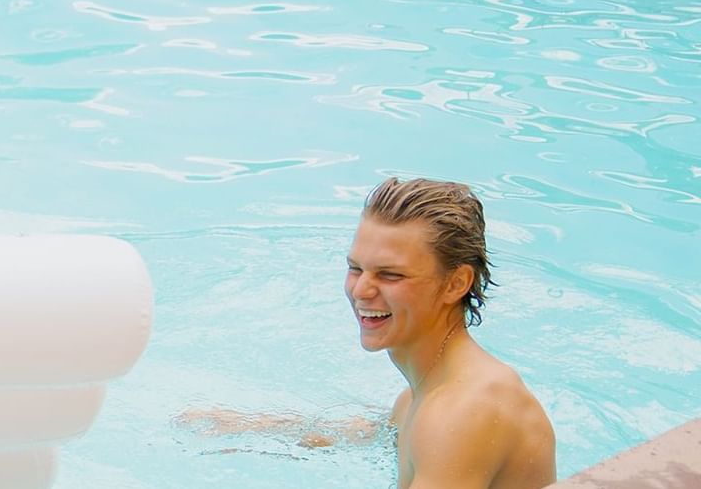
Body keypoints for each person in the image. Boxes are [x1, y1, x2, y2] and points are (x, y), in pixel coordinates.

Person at [181, 177, 556, 488]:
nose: (361, 290)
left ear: (456, 283)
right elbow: (374, 435)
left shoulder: (460, 412)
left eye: (391, 275)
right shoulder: (419, 397)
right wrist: (251, 429)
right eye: (356, 269)